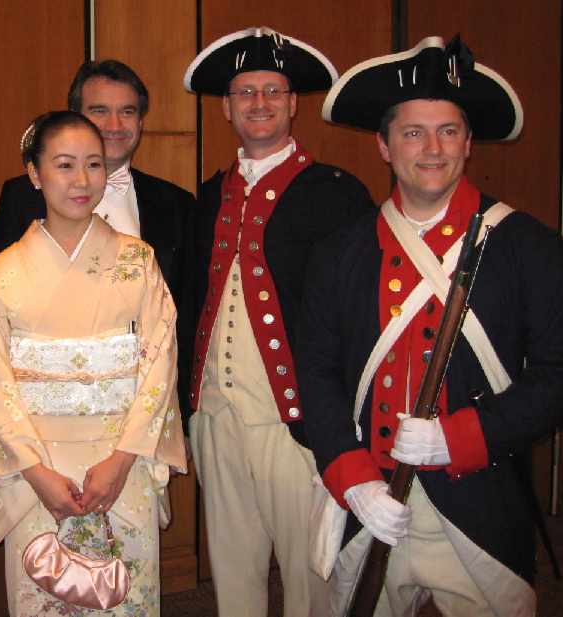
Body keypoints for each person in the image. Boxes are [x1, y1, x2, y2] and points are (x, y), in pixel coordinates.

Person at [298, 35, 563, 616]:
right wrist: (352, 477)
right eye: (413, 132)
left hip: (482, 509)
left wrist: (461, 437)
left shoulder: (530, 247)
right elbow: (315, 375)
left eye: (448, 130)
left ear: (468, 142)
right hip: (370, 508)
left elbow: (554, 379)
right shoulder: (339, 252)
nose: (432, 148)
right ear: (385, 146)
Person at [181, 27, 373, 617]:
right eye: (245, 92)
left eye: (272, 90)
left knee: (308, 575)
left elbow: (358, 317)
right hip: (216, 413)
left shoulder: (337, 194)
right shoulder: (208, 196)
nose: (258, 102)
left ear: (293, 103)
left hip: (297, 423)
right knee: (232, 572)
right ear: (226, 107)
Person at [0, 111, 186, 617]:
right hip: (37, 474)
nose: (82, 180)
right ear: (34, 173)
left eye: (94, 164)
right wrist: (36, 472)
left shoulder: (138, 260)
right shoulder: (3, 272)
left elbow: (159, 365)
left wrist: (122, 459)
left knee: (124, 600)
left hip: (121, 465)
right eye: (64, 165)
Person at [0, 60, 197, 421]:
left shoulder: (177, 204)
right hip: (41, 417)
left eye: (127, 112)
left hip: (143, 415)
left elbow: (186, 319)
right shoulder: (21, 195)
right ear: (75, 117)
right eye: (100, 111)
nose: (115, 126)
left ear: (141, 121)